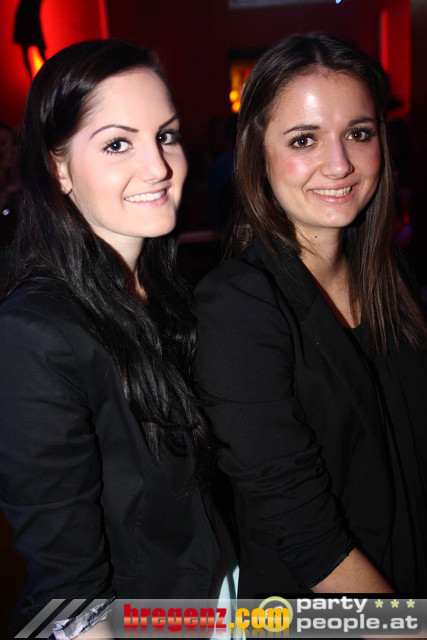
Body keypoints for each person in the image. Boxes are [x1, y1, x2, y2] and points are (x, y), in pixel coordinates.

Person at [193, 33, 427, 598]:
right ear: (258, 154)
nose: (340, 164)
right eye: (304, 139)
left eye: (359, 133)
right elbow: (306, 535)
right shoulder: (238, 305)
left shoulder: (390, 277)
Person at [0, 39, 220, 636]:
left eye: (166, 136)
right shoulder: (35, 334)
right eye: (118, 143)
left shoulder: (174, 295)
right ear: (59, 168)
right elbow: (70, 597)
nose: (158, 167)